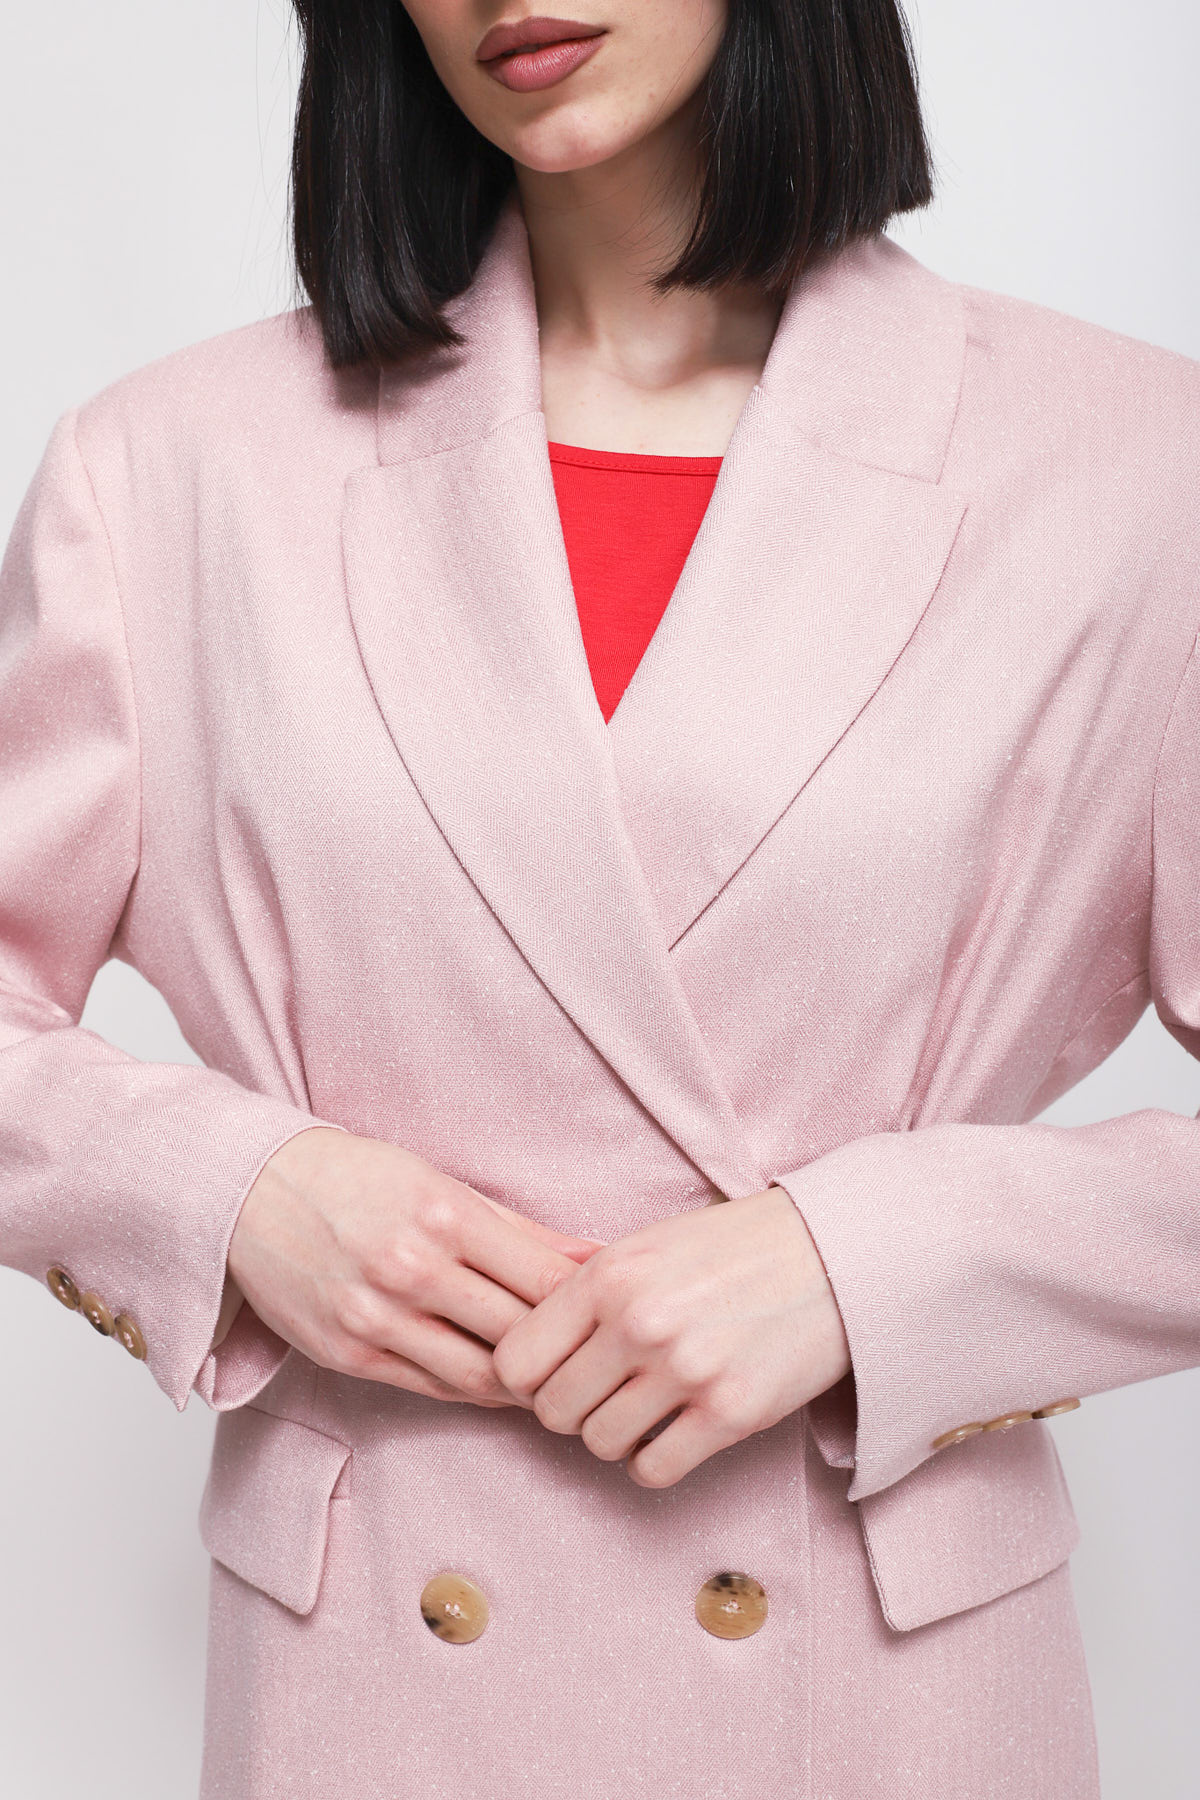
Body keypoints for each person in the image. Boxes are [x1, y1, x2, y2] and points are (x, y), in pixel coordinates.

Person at [1, 1, 1197, 1794]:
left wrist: (876, 1269)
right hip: (380, 1681)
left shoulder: (1137, 467)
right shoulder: (171, 467)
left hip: (884, 1690)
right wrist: (229, 1194)